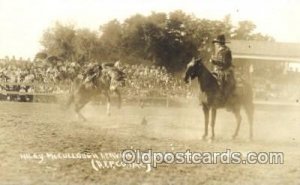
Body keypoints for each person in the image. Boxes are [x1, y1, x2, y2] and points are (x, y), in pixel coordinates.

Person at [210, 34, 236, 100]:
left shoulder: (227, 51)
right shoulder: (218, 50)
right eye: (217, 42)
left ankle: (223, 95)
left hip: (225, 70)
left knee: (223, 80)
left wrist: (214, 62)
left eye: (218, 42)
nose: (217, 43)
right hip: (217, 69)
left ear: (221, 42)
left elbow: (227, 63)